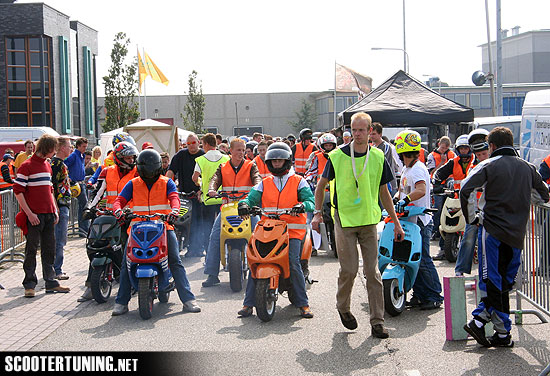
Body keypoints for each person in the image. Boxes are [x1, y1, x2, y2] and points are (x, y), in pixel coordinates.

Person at [311, 112, 404, 338]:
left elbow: (385, 192)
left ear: (371, 131)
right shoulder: (336, 156)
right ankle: (343, 307)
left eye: (362, 130)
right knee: (350, 270)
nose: (358, 134)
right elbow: (320, 186)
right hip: (344, 221)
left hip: (369, 221)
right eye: (354, 130)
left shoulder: (378, 157)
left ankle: (377, 322)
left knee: (372, 273)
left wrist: (396, 222)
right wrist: (316, 213)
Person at [461, 127, 549, 347]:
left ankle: (480, 319)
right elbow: (543, 195)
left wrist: (472, 218)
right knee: (504, 283)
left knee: (492, 281)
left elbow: (466, 188)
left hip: (492, 230)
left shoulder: (488, 164)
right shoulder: (528, 167)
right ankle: (502, 334)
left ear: (491, 146)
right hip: (517, 233)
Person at [111, 149, 201, 315]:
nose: (149, 173)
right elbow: (119, 201)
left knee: (175, 260)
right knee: (127, 263)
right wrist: (118, 211)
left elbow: (174, 198)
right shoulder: (133, 183)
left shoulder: (167, 182)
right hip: (137, 229)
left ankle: (188, 300)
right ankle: (121, 303)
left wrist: (174, 212)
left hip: (163, 227)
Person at [237, 142, 314, 319]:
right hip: (267, 229)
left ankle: (303, 304)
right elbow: (250, 198)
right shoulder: (264, 183)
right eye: (274, 161)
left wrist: (301, 205)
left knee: (293, 262)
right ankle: (248, 304)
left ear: (287, 161)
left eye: (280, 161)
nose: (276, 164)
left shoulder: (299, 181)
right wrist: (244, 205)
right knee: (255, 262)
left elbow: (310, 201)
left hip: (292, 231)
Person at [77, 141, 139, 302]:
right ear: (119, 158)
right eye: (128, 157)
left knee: (128, 247)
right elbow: (97, 192)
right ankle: (91, 286)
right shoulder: (107, 171)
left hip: (129, 216)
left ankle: (133, 281)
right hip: (110, 215)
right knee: (97, 244)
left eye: (133, 157)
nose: (132, 160)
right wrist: (89, 208)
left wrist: (133, 211)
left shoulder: (137, 172)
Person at [14, 134, 70, 298]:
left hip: (48, 214)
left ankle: (50, 281)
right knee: (31, 249)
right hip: (34, 215)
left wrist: (54, 209)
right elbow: (18, 191)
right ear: (48, 148)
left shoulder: (47, 165)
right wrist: (29, 213)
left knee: (49, 249)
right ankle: (29, 284)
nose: (56, 152)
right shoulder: (26, 166)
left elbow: (50, 189)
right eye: (54, 148)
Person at [394, 129, 444, 310]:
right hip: (409, 220)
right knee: (411, 259)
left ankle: (433, 295)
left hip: (421, 222)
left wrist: (405, 200)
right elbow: (404, 190)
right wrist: (395, 198)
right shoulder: (408, 168)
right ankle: (420, 294)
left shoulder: (417, 169)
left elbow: (420, 190)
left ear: (401, 150)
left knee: (422, 259)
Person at [202, 138, 261, 287]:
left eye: (243, 150)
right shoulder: (222, 167)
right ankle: (212, 274)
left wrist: (258, 187)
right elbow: (215, 179)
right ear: (230, 151)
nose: (241, 153)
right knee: (215, 236)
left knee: (259, 234)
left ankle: (261, 269)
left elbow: (257, 179)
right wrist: (211, 190)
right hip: (228, 208)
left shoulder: (251, 166)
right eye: (238, 150)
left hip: (247, 208)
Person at [432, 135, 474, 260]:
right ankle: (442, 249)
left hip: (473, 199)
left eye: (466, 148)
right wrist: (437, 184)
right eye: (461, 149)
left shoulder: (475, 161)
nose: (463, 151)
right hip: (456, 198)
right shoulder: (453, 162)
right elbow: (439, 174)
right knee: (444, 217)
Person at [455, 129, 491, 276]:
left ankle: (517, 273)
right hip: (476, 210)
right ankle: (460, 270)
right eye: (478, 152)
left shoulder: (494, 162)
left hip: (493, 209)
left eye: (483, 151)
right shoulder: (473, 166)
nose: (481, 155)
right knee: (469, 237)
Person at [166, 133, 205, 256]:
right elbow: (171, 171)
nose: (191, 146)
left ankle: (196, 248)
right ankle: (179, 246)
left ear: (198, 142)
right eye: (188, 144)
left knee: (197, 222)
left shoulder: (203, 156)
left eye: (193, 143)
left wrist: (202, 190)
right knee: (179, 220)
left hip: (198, 195)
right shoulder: (181, 155)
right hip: (183, 194)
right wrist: (165, 185)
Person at [192, 133, 230, 257]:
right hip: (223, 198)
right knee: (225, 227)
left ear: (207, 144)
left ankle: (210, 255)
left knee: (208, 229)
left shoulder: (201, 160)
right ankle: (226, 253)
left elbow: (194, 177)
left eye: (202, 144)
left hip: (208, 199)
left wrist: (201, 184)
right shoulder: (226, 158)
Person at [51, 137, 72, 281]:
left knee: (60, 239)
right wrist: (56, 206)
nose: (71, 149)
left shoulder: (60, 163)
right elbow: (52, 186)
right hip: (60, 205)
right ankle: (56, 270)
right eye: (69, 146)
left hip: (63, 204)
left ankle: (55, 268)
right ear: (62, 147)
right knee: (59, 239)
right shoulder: (56, 164)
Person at [427, 136, 455, 242]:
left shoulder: (452, 155)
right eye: (442, 148)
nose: (444, 150)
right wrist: (442, 163)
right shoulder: (432, 156)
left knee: (447, 209)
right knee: (437, 209)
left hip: (449, 185)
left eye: (446, 148)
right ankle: (435, 231)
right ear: (439, 144)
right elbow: (431, 171)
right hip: (437, 185)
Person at [64, 137, 89, 237]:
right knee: (84, 206)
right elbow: (64, 164)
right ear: (78, 146)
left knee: (83, 206)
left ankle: (83, 229)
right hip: (75, 183)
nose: (85, 148)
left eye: (86, 147)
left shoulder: (81, 156)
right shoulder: (74, 155)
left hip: (81, 183)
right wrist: (67, 177)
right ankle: (83, 229)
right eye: (83, 146)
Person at [369, 123, 403, 194]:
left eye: (374, 134)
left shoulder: (386, 146)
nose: (371, 136)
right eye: (370, 134)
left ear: (380, 134)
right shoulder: (373, 147)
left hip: (389, 184)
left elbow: (380, 163)